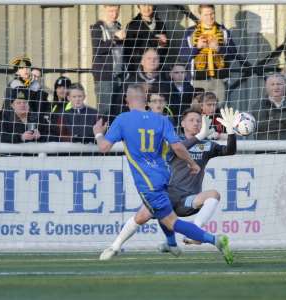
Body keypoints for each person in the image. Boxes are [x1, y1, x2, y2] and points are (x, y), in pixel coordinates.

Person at [93, 84, 234, 264]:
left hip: (147, 182)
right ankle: (169, 244)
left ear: (126, 100)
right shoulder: (162, 120)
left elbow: (104, 147)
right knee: (156, 212)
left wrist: (98, 133)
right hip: (165, 176)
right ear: (145, 100)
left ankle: (215, 240)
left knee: (171, 221)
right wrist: (191, 163)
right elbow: (177, 146)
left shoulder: (122, 119)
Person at [180, 5, 244, 103]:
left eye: (212, 14)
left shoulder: (223, 31)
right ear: (200, 15)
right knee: (198, 111)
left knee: (218, 111)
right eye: (206, 15)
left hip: (219, 81)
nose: (210, 17)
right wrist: (197, 47)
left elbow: (233, 54)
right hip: (197, 81)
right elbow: (183, 56)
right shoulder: (190, 32)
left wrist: (219, 48)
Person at [90, 5, 125, 117]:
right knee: (104, 111)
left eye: (116, 11)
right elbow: (98, 49)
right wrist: (115, 38)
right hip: (105, 76)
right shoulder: (97, 27)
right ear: (104, 9)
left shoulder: (119, 27)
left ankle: (115, 134)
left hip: (119, 75)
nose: (114, 14)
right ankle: (101, 134)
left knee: (118, 111)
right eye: (111, 11)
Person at [252, 73, 286, 140]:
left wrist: (272, 117)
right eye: (272, 84)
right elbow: (261, 125)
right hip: (266, 148)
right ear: (266, 87)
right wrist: (285, 124)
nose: (276, 87)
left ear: (285, 86)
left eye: (279, 84)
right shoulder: (259, 105)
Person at [123, 5, 168, 72]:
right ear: (139, 6)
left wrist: (163, 44)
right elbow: (128, 52)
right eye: (143, 5)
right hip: (139, 70)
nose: (146, 8)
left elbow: (165, 50)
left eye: (149, 5)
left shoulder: (160, 24)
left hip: (157, 69)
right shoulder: (132, 25)